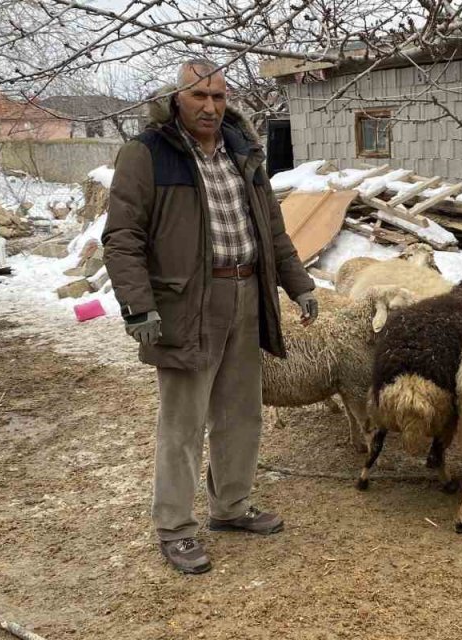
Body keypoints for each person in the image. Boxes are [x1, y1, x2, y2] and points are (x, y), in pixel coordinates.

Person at [103, 59, 318, 573]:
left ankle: (231, 506)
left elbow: (272, 228)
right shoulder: (148, 153)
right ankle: (175, 528)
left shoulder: (243, 151)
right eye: (199, 96)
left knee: (241, 412)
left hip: (247, 294)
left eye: (219, 97)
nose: (210, 106)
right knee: (183, 422)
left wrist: (299, 284)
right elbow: (122, 236)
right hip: (186, 303)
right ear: (176, 98)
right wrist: (138, 305)